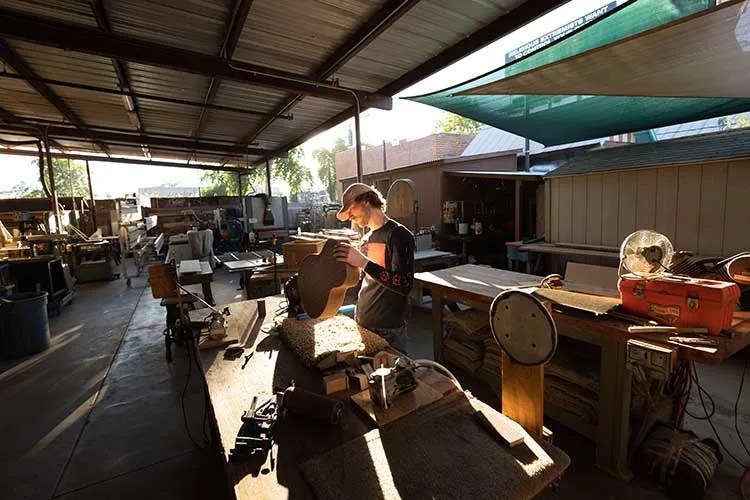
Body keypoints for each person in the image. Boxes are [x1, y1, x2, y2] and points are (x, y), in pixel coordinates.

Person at [333, 183, 415, 353]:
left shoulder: (399, 235)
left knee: (394, 377)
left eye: (351, 209)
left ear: (367, 201)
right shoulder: (367, 238)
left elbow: (404, 285)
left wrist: (363, 262)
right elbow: (372, 280)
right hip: (363, 321)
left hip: (388, 330)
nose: (349, 217)